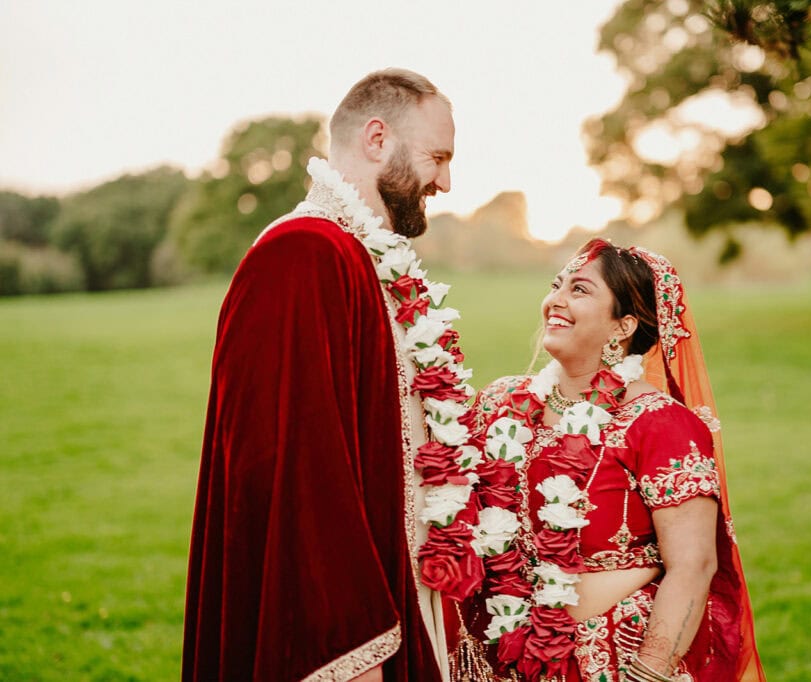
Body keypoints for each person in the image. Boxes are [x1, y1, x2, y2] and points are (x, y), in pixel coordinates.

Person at [182, 68, 472, 682]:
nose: (445, 181)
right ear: (376, 139)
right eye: (437, 157)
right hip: (340, 637)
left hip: (402, 591)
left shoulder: (363, 259)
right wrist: (350, 650)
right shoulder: (303, 255)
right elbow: (296, 477)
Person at [447, 239, 765, 681]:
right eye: (556, 285)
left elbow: (693, 566)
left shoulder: (661, 424)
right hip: (496, 653)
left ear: (623, 326)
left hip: (608, 661)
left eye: (579, 290)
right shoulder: (499, 403)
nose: (555, 301)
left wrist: (649, 672)